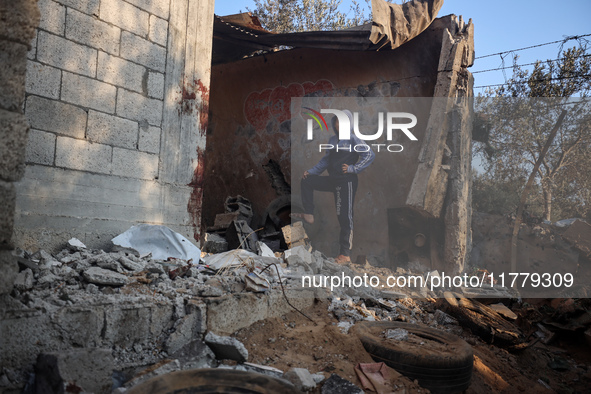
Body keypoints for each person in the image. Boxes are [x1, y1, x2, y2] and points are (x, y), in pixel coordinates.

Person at [293, 110, 375, 264]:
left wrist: (353, 169)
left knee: (345, 216)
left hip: (346, 182)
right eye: (336, 121)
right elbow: (325, 162)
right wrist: (310, 172)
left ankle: (345, 254)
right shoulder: (332, 140)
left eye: (342, 122)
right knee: (307, 181)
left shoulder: (353, 139)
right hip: (333, 180)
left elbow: (369, 155)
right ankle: (309, 214)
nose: (338, 125)